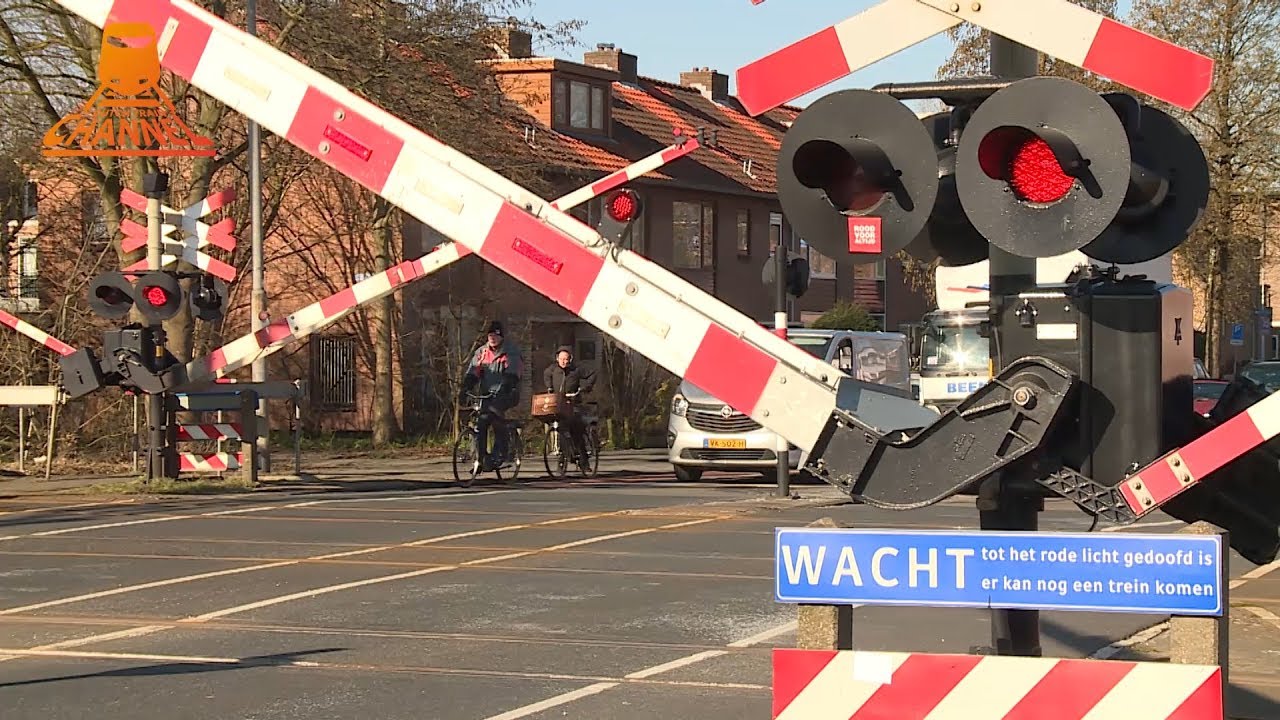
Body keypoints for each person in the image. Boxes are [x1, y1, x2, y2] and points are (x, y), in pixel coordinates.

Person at [460, 320, 522, 470]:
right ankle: (481, 458)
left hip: (507, 393)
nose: (492, 338)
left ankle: (503, 453)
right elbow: (473, 372)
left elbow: (513, 374)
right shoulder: (482, 352)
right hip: (487, 394)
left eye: (495, 335)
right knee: (481, 422)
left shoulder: (510, 352)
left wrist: (505, 387)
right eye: (490, 336)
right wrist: (465, 389)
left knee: (493, 417)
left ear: (501, 337)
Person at [542, 345, 596, 469]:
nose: (564, 362)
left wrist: (585, 388)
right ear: (557, 358)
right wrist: (549, 388)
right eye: (562, 359)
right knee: (561, 428)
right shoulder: (553, 369)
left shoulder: (576, 370)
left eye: (566, 359)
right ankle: (563, 458)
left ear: (570, 359)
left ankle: (583, 460)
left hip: (573, 402)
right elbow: (546, 375)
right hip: (559, 403)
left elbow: (592, 374)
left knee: (576, 429)